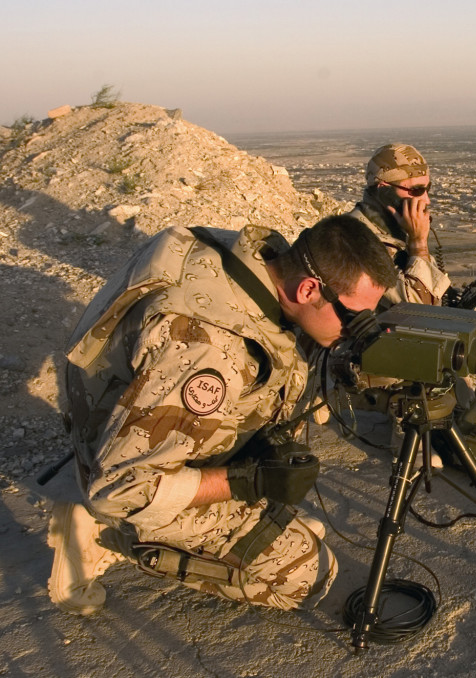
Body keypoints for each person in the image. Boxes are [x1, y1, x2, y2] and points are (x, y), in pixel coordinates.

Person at [48, 215, 398, 615]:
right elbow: (122, 488)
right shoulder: (209, 346)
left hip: (127, 411)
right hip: (120, 474)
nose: (355, 331)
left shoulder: (250, 259)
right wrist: (246, 481)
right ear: (307, 289)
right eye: (353, 318)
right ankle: (105, 537)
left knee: (285, 498)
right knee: (306, 575)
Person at [344, 143, 450, 307]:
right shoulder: (356, 241)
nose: (426, 200)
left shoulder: (394, 232)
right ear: (384, 190)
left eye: (427, 189)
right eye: (416, 190)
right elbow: (419, 310)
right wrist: (419, 243)